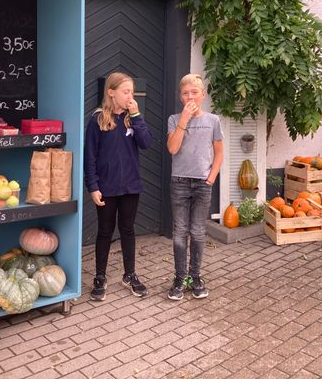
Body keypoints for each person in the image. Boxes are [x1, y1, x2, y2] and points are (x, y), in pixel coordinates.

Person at [84, 72, 153, 301]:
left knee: (128, 230)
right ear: (111, 92)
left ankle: (130, 274)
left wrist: (137, 116)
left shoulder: (132, 119)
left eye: (132, 92)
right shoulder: (97, 120)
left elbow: (146, 143)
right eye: (125, 92)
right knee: (105, 231)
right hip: (106, 187)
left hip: (131, 186)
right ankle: (100, 276)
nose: (130, 96)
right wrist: (93, 187)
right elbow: (90, 157)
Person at [166, 73, 223, 300]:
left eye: (194, 92)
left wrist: (211, 178)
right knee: (179, 233)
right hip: (179, 181)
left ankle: (196, 276)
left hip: (202, 183)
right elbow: (172, 148)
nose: (189, 96)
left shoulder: (213, 121)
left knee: (198, 232)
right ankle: (180, 278)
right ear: (181, 96)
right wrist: (184, 120)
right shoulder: (174, 119)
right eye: (185, 93)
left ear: (202, 95)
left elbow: (219, 152)